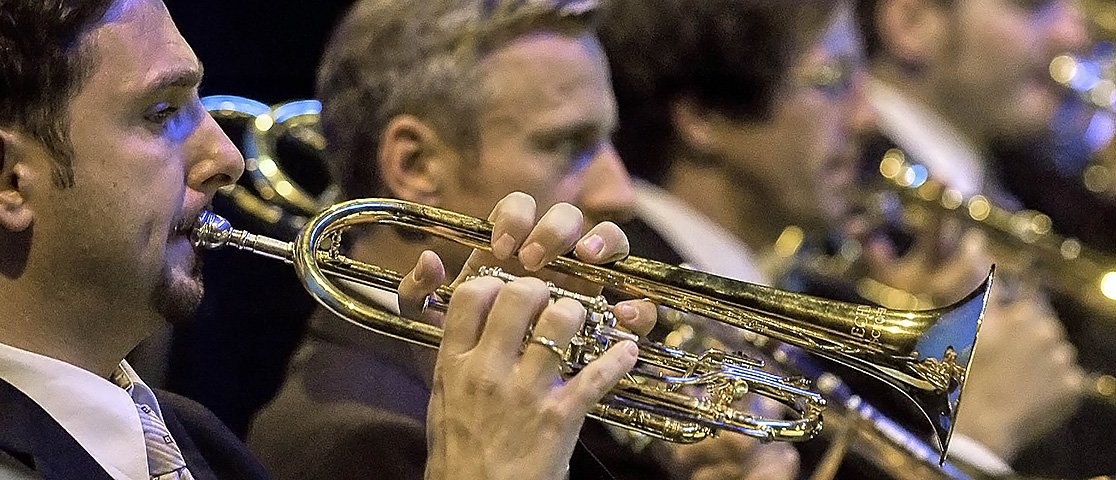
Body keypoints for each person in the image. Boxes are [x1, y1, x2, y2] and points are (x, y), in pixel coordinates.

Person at [0, 0, 651, 478]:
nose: (228, 156)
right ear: (10, 181)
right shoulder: (338, 441)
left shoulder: (196, 441)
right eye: (163, 113)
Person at [245, 1, 788, 479]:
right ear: (415, 164)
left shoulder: (539, 381)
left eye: (608, 142)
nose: (620, 192)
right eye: (567, 145)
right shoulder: (355, 441)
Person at [598, 0, 1084, 476]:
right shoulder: (636, 327)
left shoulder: (801, 283)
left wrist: (927, 355)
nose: (865, 119)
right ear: (702, 118)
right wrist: (981, 435)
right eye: (831, 82)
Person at [854, 0, 1116, 475]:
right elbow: (1051, 454)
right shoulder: (871, 217)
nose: (1073, 34)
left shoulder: (1006, 157)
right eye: (1033, 8)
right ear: (913, 24)